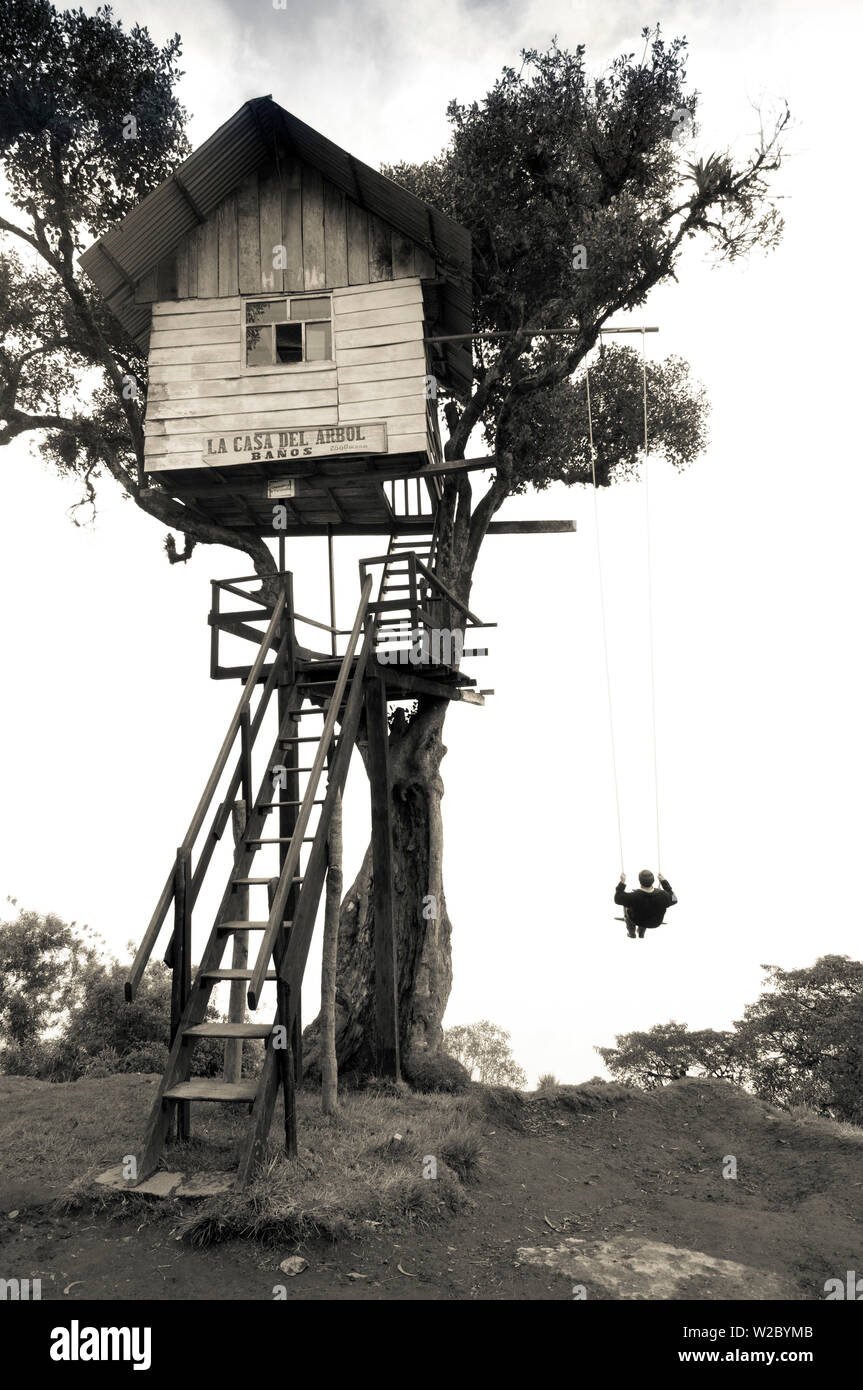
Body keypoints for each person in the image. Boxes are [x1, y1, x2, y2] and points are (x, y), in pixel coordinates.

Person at [614, 870, 677, 938]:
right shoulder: (663, 895)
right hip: (656, 922)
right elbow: (674, 899)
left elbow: (617, 898)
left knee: (626, 905)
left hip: (637, 921)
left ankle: (631, 932)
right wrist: (663, 881)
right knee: (645, 907)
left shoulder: (633, 896)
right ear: (653, 881)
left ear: (639, 881)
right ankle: (641, 933)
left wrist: (622, 882)